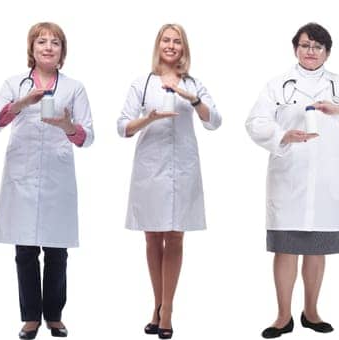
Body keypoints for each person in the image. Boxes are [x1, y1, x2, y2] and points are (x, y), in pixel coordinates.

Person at [244, 22, 339, 339]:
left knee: (317, 249)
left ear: (327, 52)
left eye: (317, 47)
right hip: (289, 176)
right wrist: (282, 135)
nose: (311, 51)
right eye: (305, 45)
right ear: (295, 48)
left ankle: (312, 311)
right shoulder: (278, 84)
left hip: (325, 181)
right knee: (286, 249)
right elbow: (254, 122)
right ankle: (282, 316)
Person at [0, 21, 94, 340]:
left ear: (62, 51)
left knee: (57, 250)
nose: (48, 46)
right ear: (31, 49)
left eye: (55, 42)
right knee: (25, 250)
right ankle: (31, 317)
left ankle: (55, 316)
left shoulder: (74, 88)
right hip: (22, 175)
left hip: (58, 177)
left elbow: (88, 137)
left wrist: (66, 125)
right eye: (42, 41)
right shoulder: (13, 84)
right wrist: (22, 103)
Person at [117, 23, 223, 340]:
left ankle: (168, 310)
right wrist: (148, 118)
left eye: (177, 41)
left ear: (184, 48)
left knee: (175, 238)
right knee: (152, 238)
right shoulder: (142, 84)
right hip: (150, 170)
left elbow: (214, 121)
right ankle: (157, 305)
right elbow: (122, 127)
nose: (171, 45)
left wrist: (191, 99)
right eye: (166, 40)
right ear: (158, 45)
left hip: (183, 170)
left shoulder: (193, 84)